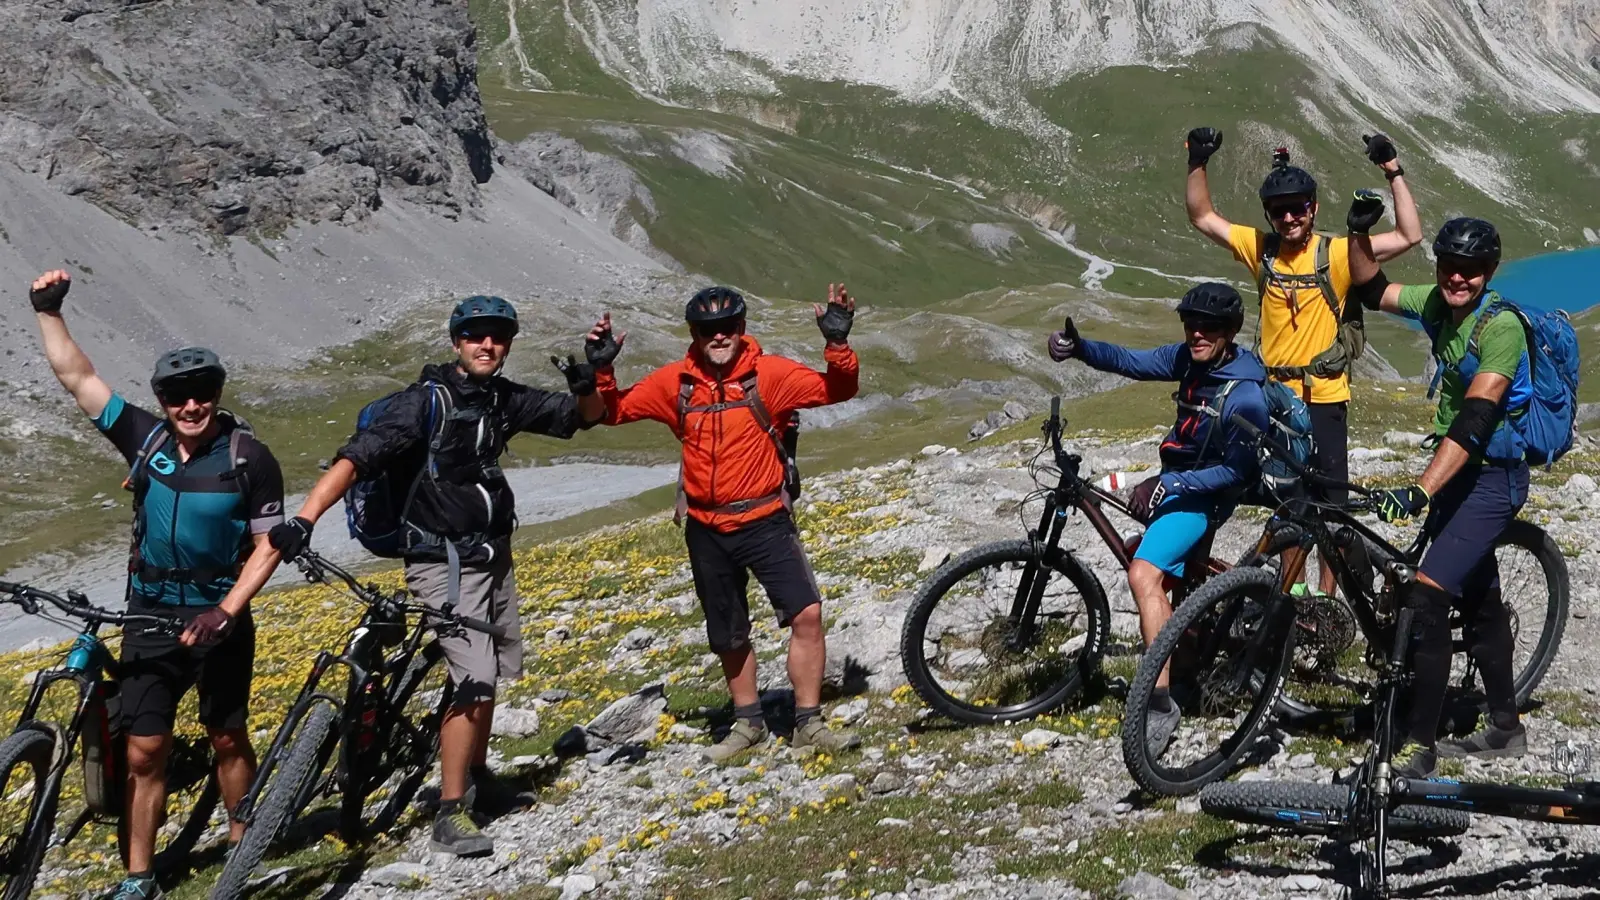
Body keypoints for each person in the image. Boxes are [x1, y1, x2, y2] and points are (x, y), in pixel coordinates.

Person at [267, 295, 605, 856]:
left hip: (493, 557)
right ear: (455, 342)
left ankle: (479, 777)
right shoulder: (424, 402)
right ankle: (450, 812)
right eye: (474, 335)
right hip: (442, 565)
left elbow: (582, 418)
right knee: (473, 679)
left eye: (497, 336)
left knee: (490, 671)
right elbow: (356, 457)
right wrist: (303, 520)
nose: (486, 344)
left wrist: (590, 378)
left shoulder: (501, 399)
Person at [27, 270, 286, 900]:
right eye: (177, 397)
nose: (190, 406)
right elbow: (79, 379)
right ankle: (138, 878)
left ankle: (241, 839)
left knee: (227, 733)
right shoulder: (146, 441)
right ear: (163, 401)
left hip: (221, 614)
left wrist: (226, 611)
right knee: (144, 751)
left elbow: (268, 546)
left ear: (217, 395)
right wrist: (47, 312)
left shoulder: (250, 459)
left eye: (201, 394)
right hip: (151, 614)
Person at [585, 284, 860, 763]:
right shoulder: (676, 383)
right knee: (728, 633)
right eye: (709, 330)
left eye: (728, 327)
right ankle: (748, 723)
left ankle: (808, 723)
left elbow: (840, 389)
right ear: (694, 334)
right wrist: (602, 371)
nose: (719, 337)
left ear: (742, 328)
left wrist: (837, 344)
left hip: (767, 521)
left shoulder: (769, 374)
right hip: (707, 529)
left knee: (807, 615)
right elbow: (613, 412)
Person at [1184, 128, 1423, 599]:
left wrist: (1392, 169)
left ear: (1313, 208)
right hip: (1275, 400)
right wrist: (1197, 161)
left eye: (1298, 207)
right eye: (1279, 210)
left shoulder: (1337, 253)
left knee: (1332, 510)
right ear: (1269, 215)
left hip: (1324, 397)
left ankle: (1325, 605)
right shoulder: (1262, 250)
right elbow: (1202, 215)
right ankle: (1287, 603)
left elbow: (1411, 235)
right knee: (1292, 506)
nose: (1289, 217)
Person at [1048, 283, 1270, 755]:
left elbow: (1238, 471)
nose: (1196, 333)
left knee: (1144, 574)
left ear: (1231, 331)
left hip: (1206, 493)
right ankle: (1186, 651)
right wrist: (1081, 349)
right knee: (1159, 567)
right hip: (1180, 479)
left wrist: (1172, 485)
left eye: (1209, 327)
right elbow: (1132, 362)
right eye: (1190, 324)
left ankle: (1161, 702)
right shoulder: (1189, 359)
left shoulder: (1245, 394)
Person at [1348, 215, 1530, 778]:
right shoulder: (1437, 301)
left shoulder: (1501, 328)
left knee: (1426, 597)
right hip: (1459, 475)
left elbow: (1477, 418)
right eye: (1450, 267)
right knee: (1477, 597)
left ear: (1489, 272)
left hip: (1494, 478)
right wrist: (1358, 232)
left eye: (1472, 271)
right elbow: (1373, 287)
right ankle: (1504, 726)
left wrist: (1422, 490)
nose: (1459, 278)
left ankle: (1418, 746)